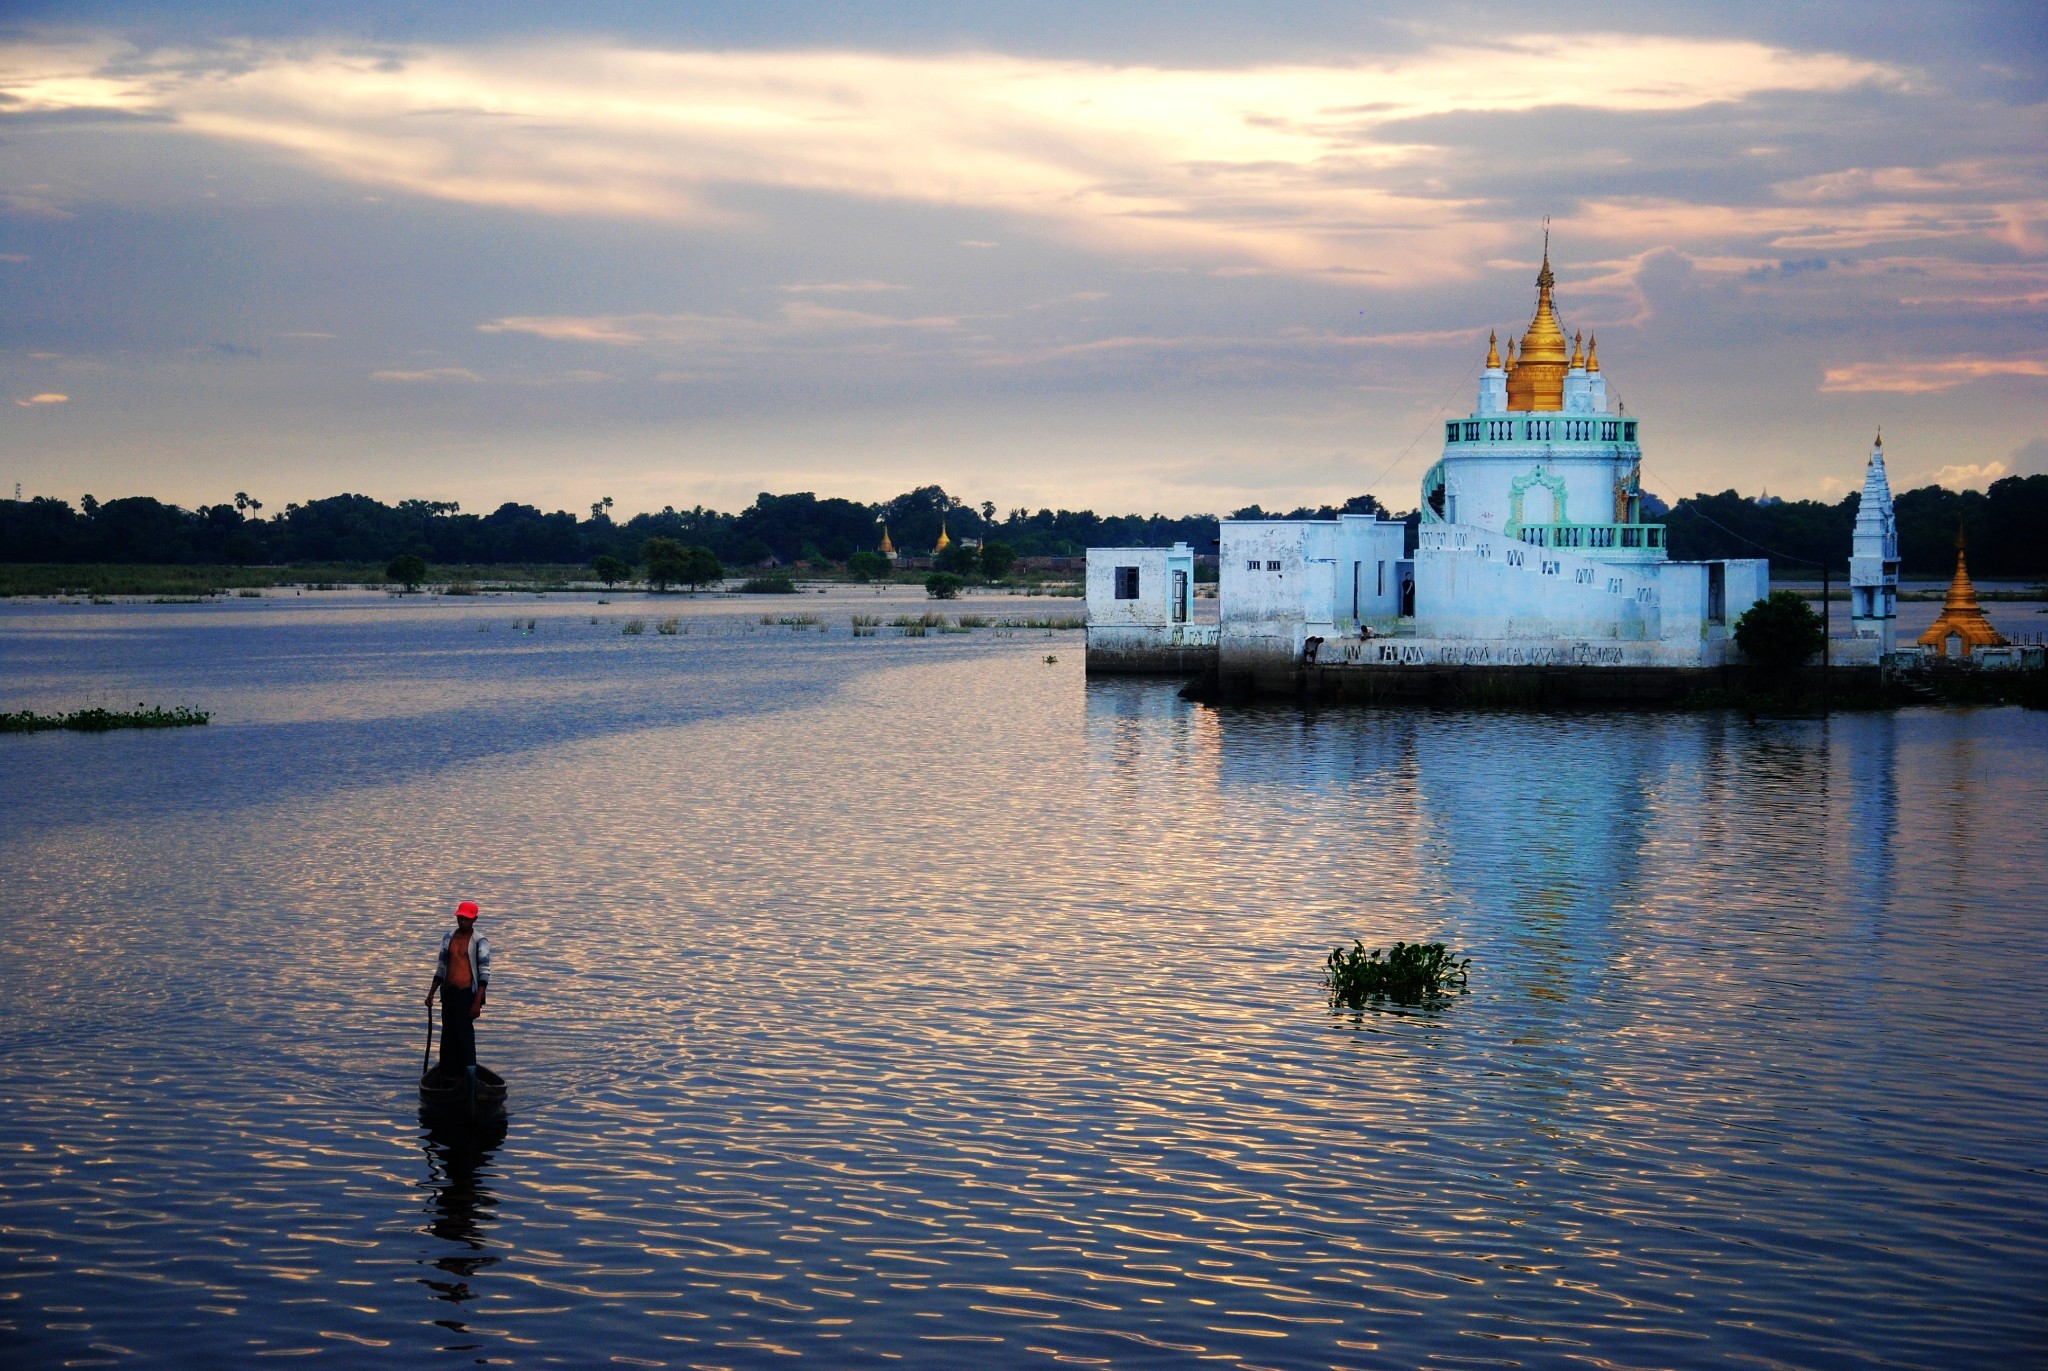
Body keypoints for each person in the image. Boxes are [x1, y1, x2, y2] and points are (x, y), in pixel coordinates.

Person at [426, 901, 492, 1072]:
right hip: (448, 993)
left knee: (465, 1035)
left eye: (466, 919)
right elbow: (441, 967)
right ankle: (448, 1073)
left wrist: (477, 1001)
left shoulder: (479, 941)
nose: (462, 921)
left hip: (466, 995)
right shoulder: (448, 938)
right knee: (448, 1035)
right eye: (460, 918)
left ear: (474, 919)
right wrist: (431, 993)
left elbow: (484, 972)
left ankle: (469, 1075)